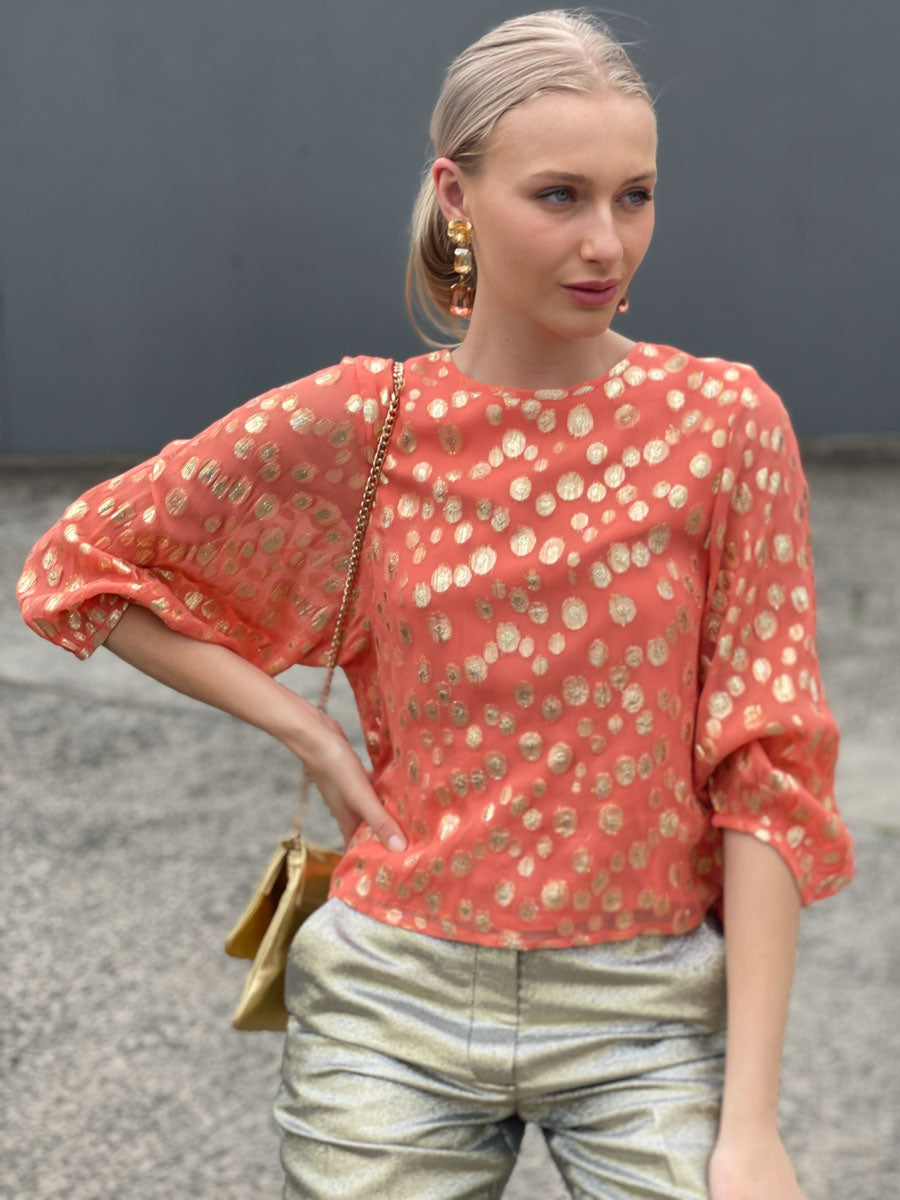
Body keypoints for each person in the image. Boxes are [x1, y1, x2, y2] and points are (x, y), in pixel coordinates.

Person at [17, 10, 853, 1199]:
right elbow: (81, 561)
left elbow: (765, 769)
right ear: (456, 195)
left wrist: (751, 1126)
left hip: (648, 1007)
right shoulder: (370, 423)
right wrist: (304, 727)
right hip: (395, 992)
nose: (607, 242)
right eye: (559, 196)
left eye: (636, 196)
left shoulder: (726, 428)